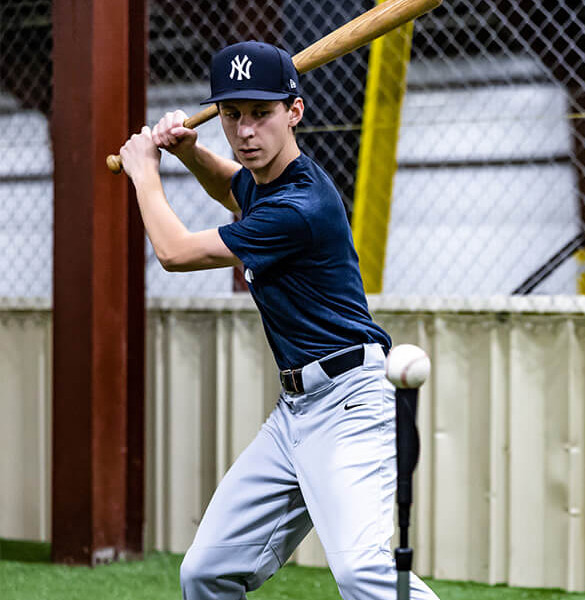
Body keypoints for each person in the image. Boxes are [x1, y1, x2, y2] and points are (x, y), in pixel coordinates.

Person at [118, 40, 439, 600]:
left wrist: (146, 172)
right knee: (204, 573)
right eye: (232, 114)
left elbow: (173, 253)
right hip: (295, 412)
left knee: (361, 572)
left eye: (262, 113)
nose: (245, 131)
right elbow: (233, 186)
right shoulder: (271, 186)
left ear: (294, 112)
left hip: (350, 404)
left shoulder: (300, 207)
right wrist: (191, 151)